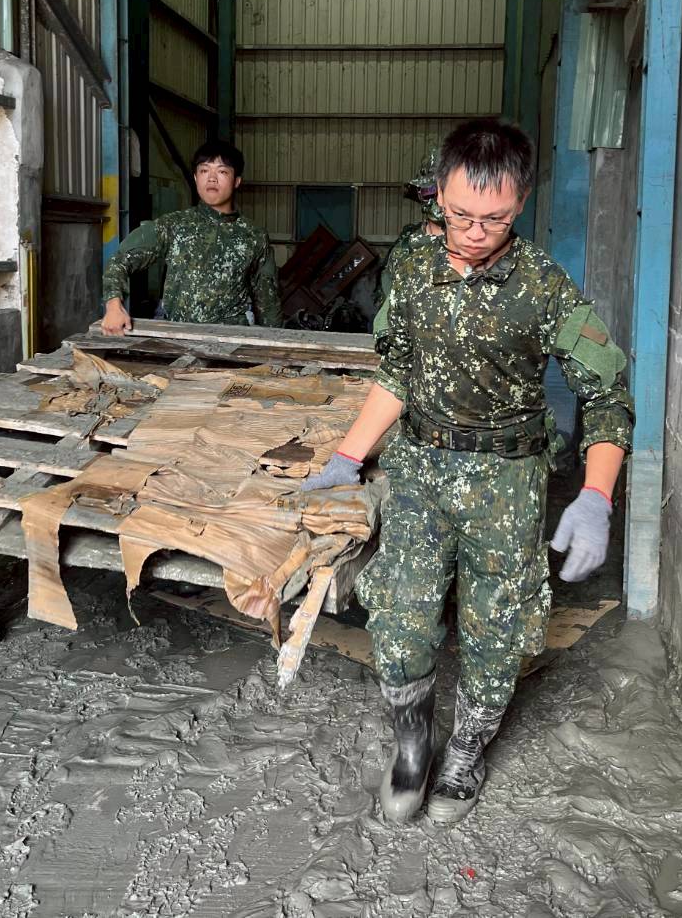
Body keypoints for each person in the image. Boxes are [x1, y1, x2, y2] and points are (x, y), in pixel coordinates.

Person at [300, 119, 634, 825]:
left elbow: (605, 395)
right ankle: (414, 745)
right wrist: (345, 456)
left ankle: (466, 752)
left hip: (505, 484)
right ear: (437, 197)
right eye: (459, 214)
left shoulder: (543, 287)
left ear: (520, 207)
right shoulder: (413, 265)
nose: (474, 231)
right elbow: (397, 372)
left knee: (497, 628)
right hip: (419, 469)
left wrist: (595, 496)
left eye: (494, 218)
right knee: (398, 616)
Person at [100, 139, 282, 333]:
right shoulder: (173, 225)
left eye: (222, 171)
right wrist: (113, 306)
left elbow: (268, 300)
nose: (212, 178)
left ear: (236, 180)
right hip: (176, 336)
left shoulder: (253, 236)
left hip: (230, 342)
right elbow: (119, 261)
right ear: (195, 178)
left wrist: (275, 346)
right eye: (204, 171)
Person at [372, 149, 446, 344]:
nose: (438, 201)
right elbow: (385, 302)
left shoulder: (474, 248)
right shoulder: (405, 245)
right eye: (430, 192)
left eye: (446, 191)